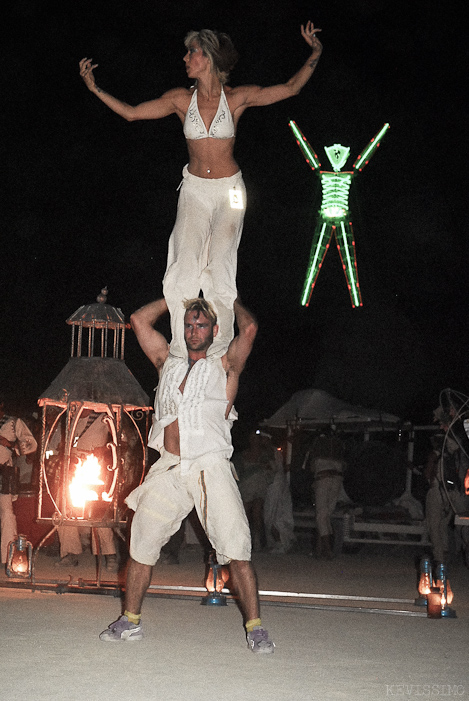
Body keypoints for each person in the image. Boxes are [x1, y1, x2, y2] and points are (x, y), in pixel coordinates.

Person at [79, 22, 323, 357]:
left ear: (206, 58)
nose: (185, 58)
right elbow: (133, 114)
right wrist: (95, 89)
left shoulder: (236, 98)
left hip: (230, 192)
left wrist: (315, 52)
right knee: (184, 265)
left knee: (220, 264)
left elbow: (290, 88)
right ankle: (181, 347)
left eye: (190, 51)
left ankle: (219, 350)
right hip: (194, 190)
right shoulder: (181, 100)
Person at [99, 296, 274, 653]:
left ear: (214, 330)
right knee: (142, 542)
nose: (194, 331)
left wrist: (228, 295)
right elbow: (137, 319)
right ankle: (130, 621)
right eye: (190, 325)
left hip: (210, 464)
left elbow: (251, 328)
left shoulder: (224, 366)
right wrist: (174, 294)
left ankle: (255, 628)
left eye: (202, 325)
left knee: (235, 547)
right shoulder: (169, 363)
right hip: (171, 466)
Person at [48, 410, 118, 571]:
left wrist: (105, 450)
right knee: (65, 508)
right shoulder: (73, 417)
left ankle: (109, 554)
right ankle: (70, 553)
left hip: (95, 468)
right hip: (72, 469)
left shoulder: (105, 417)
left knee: (98, 511)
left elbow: (122, 442)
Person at [425, 408, 469, 567]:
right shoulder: (457, 452)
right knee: (451, 524)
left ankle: (440, 556)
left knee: (435, 525)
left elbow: (428, 474)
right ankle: (446, 552)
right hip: (454, 493)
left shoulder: (441, 453)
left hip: (440, 492)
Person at [0, 398, 38, 564]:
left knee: (7, 513)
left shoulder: (13, 423)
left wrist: (10, 445)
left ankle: (7, 557)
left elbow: (31, 445)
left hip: (4, 471)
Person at [232, 430, 275, 551]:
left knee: (257, 514)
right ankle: (242, 542)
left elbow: (272, 470)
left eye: (257, 438)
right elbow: (236, 473)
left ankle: (257, 541)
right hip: (246, 488)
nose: (254, 441)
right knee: (244, 515)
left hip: (260, 486)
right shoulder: (242, 455)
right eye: (252, 438)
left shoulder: (265, 455)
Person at [306, 434, 346, 560]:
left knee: (321, 515)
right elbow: (345, 466)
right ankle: (319, 548)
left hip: (323, 478)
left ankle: (328, 550)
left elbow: (312, 467)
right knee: (325, 515)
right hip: (337, 479)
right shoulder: (339, 447)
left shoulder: (317, 446)